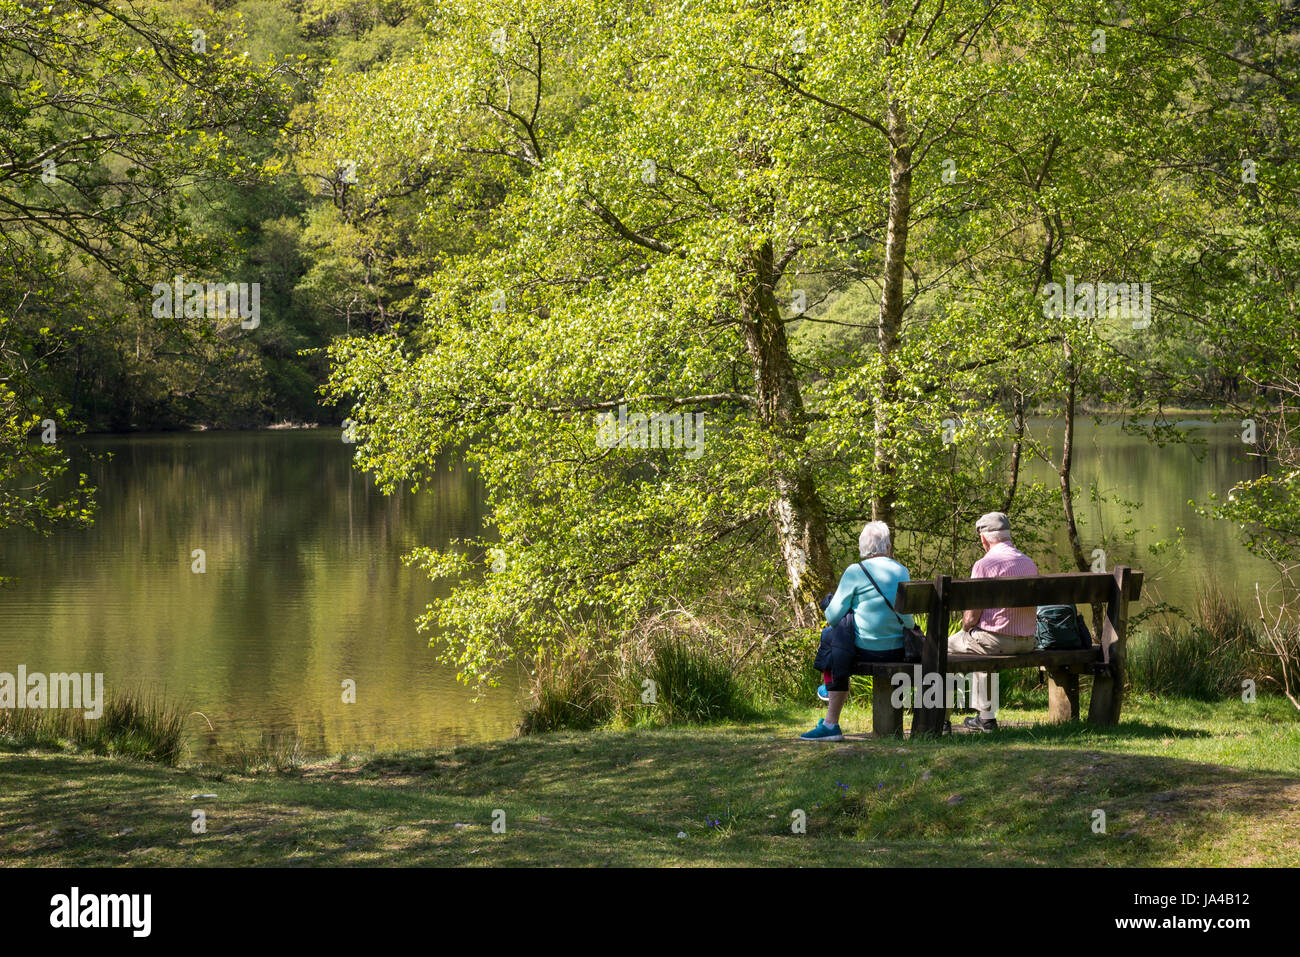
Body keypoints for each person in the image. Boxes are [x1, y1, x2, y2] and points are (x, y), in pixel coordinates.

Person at [800, 521, 913, 742]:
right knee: (837, 633)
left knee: (833, 634)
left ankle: (830, 719)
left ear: (862, 548)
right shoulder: (902, 570)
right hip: (899, 649)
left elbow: (832, 617)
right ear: (888, 547)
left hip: (864, 651)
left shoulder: (855, 571)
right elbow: (907, 620)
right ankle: (828, 694)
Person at [947, 511, 1039, 732]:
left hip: (996, 642)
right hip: (1027, 642)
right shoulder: (1029, 564)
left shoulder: (984, 565)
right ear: (1008, 535)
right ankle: (986, 718)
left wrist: (966, 627)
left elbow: (970, 618)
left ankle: (940, 720)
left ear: (984, 539)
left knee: (943, 648)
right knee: (981, 643)